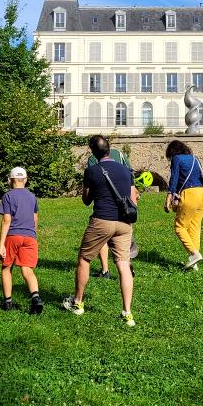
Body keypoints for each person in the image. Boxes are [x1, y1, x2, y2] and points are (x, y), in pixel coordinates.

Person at [63, 135, 139, 326]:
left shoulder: (92, 171)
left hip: (102, 220)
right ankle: (127, 313)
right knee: (123, 264)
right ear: (109, 149)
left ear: (93, 152)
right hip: (124, 223)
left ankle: (78, 303)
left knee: (84, 259)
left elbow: (86, 200)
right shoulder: (125, 170)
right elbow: (132, 197)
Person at [0, 166, 43, 314]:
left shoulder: (8, 196)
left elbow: (6, 220)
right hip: (30, 236)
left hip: (13, 236)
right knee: (27, 269)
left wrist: (2, 244)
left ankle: (8, 302)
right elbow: (35, 218)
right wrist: (33, 234)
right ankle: (36, 298)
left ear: (10, 180)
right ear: (25, 180)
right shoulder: (32, 197)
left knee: (6, 267)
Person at [86, 140, 131, 279]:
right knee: (123, 247)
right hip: (124, 208)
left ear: (94, 150)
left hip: (104, 209)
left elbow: (90, 191)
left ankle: (105, 270)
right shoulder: (120, 154)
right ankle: (127, 268)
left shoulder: (93, 160)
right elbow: (130, 174)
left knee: (101, 240)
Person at [164, 139, 203, 270]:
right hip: (202, 195)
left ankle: (194, 254)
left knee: (180, 227)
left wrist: (169, 196)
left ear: (172, 152)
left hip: (190, 194)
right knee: (195, 228)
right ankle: (194, 262)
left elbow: (174, 178)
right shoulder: (195, 159)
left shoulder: (177, 159)